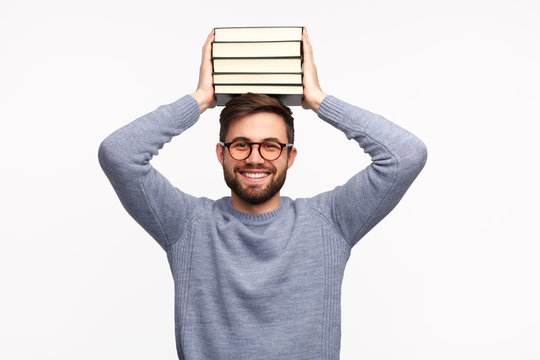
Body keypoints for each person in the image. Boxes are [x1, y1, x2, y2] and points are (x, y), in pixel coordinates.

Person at [99, 28, 427, 360]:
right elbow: (119, 155)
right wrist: (200, 99)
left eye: (270, 146)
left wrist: (317, 100)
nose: (255, 158)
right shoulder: (188, 225)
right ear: (221, 154)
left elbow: (405, 156)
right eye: (241, 145)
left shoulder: (330, 221)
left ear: (290, 156)